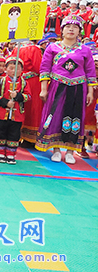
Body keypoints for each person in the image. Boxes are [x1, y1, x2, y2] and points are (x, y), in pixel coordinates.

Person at [37, 15, 96, 163]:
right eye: (68, 27)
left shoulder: (85, 50)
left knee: (75, 118)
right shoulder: (53, 47)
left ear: (79, 32)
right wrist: (44, 89)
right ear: (62, 30)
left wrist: (90, 91)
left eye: (75, 27)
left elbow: (90, 72)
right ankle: (56, 149)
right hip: (57, 86)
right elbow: (45, 69)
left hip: (78, 88)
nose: (71, 29)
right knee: (56, 116)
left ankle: (71, 150)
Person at [0, 57, 30, 165]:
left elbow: (28, 96)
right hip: (1, 114)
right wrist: (5, 102)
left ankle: (11, 153)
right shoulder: (1, 82)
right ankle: (0, 152)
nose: (14, 71)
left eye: (17, 69)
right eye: (11, 68)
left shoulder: (24, 83)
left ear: (22, 70)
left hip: (17, 114)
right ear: (6, 69)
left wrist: (18, 96)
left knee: (14, 134)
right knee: (0, 132)